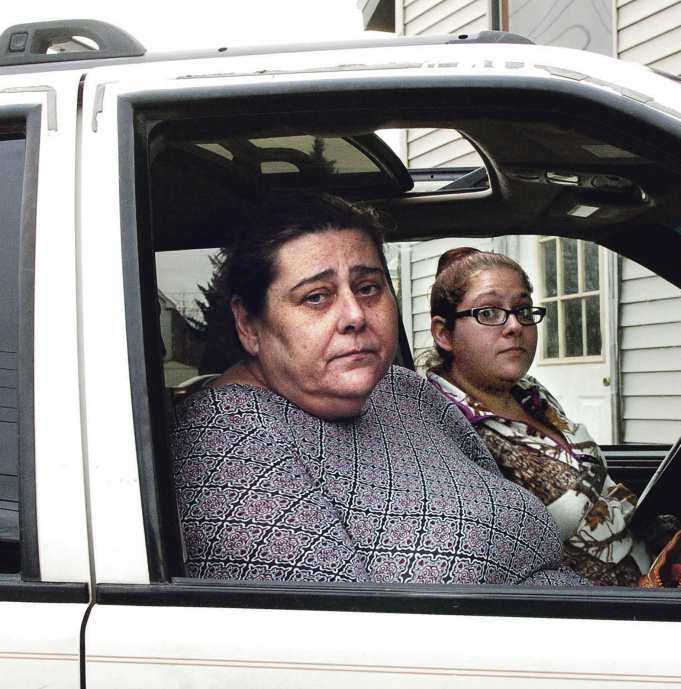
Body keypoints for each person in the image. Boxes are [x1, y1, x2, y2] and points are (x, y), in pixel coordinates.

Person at [170, 194, 584, 586]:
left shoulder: (404, 391)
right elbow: (341, 644)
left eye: (368, 288)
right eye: (316, 297)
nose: (354, 315)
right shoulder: (227, 444)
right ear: (248, 324)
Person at [425, 248, 650, 586]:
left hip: (653, 574)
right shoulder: (444, 426)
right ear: (444, 334)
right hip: (595, 610)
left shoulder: (530, 392)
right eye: (489, 312)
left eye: (523, 310)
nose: (515, 325)